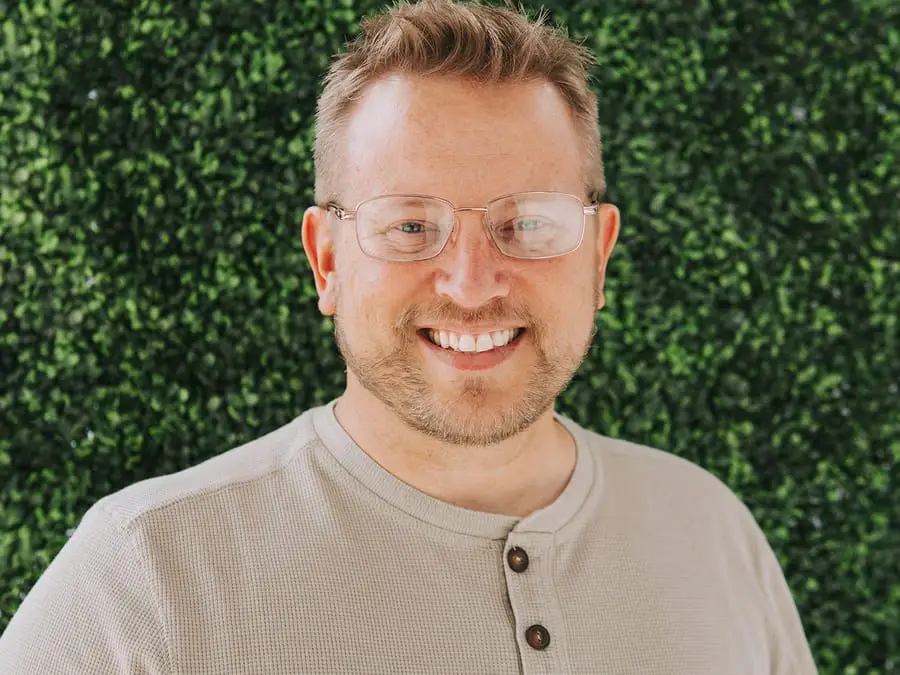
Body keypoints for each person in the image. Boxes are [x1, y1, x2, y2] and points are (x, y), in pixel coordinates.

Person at [0, 0, 820, 672]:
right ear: (326, 260)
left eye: (528, 224)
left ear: (598, 256)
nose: (471, 282)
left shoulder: (712, 532)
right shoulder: (146, 578)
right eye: (410, 226)